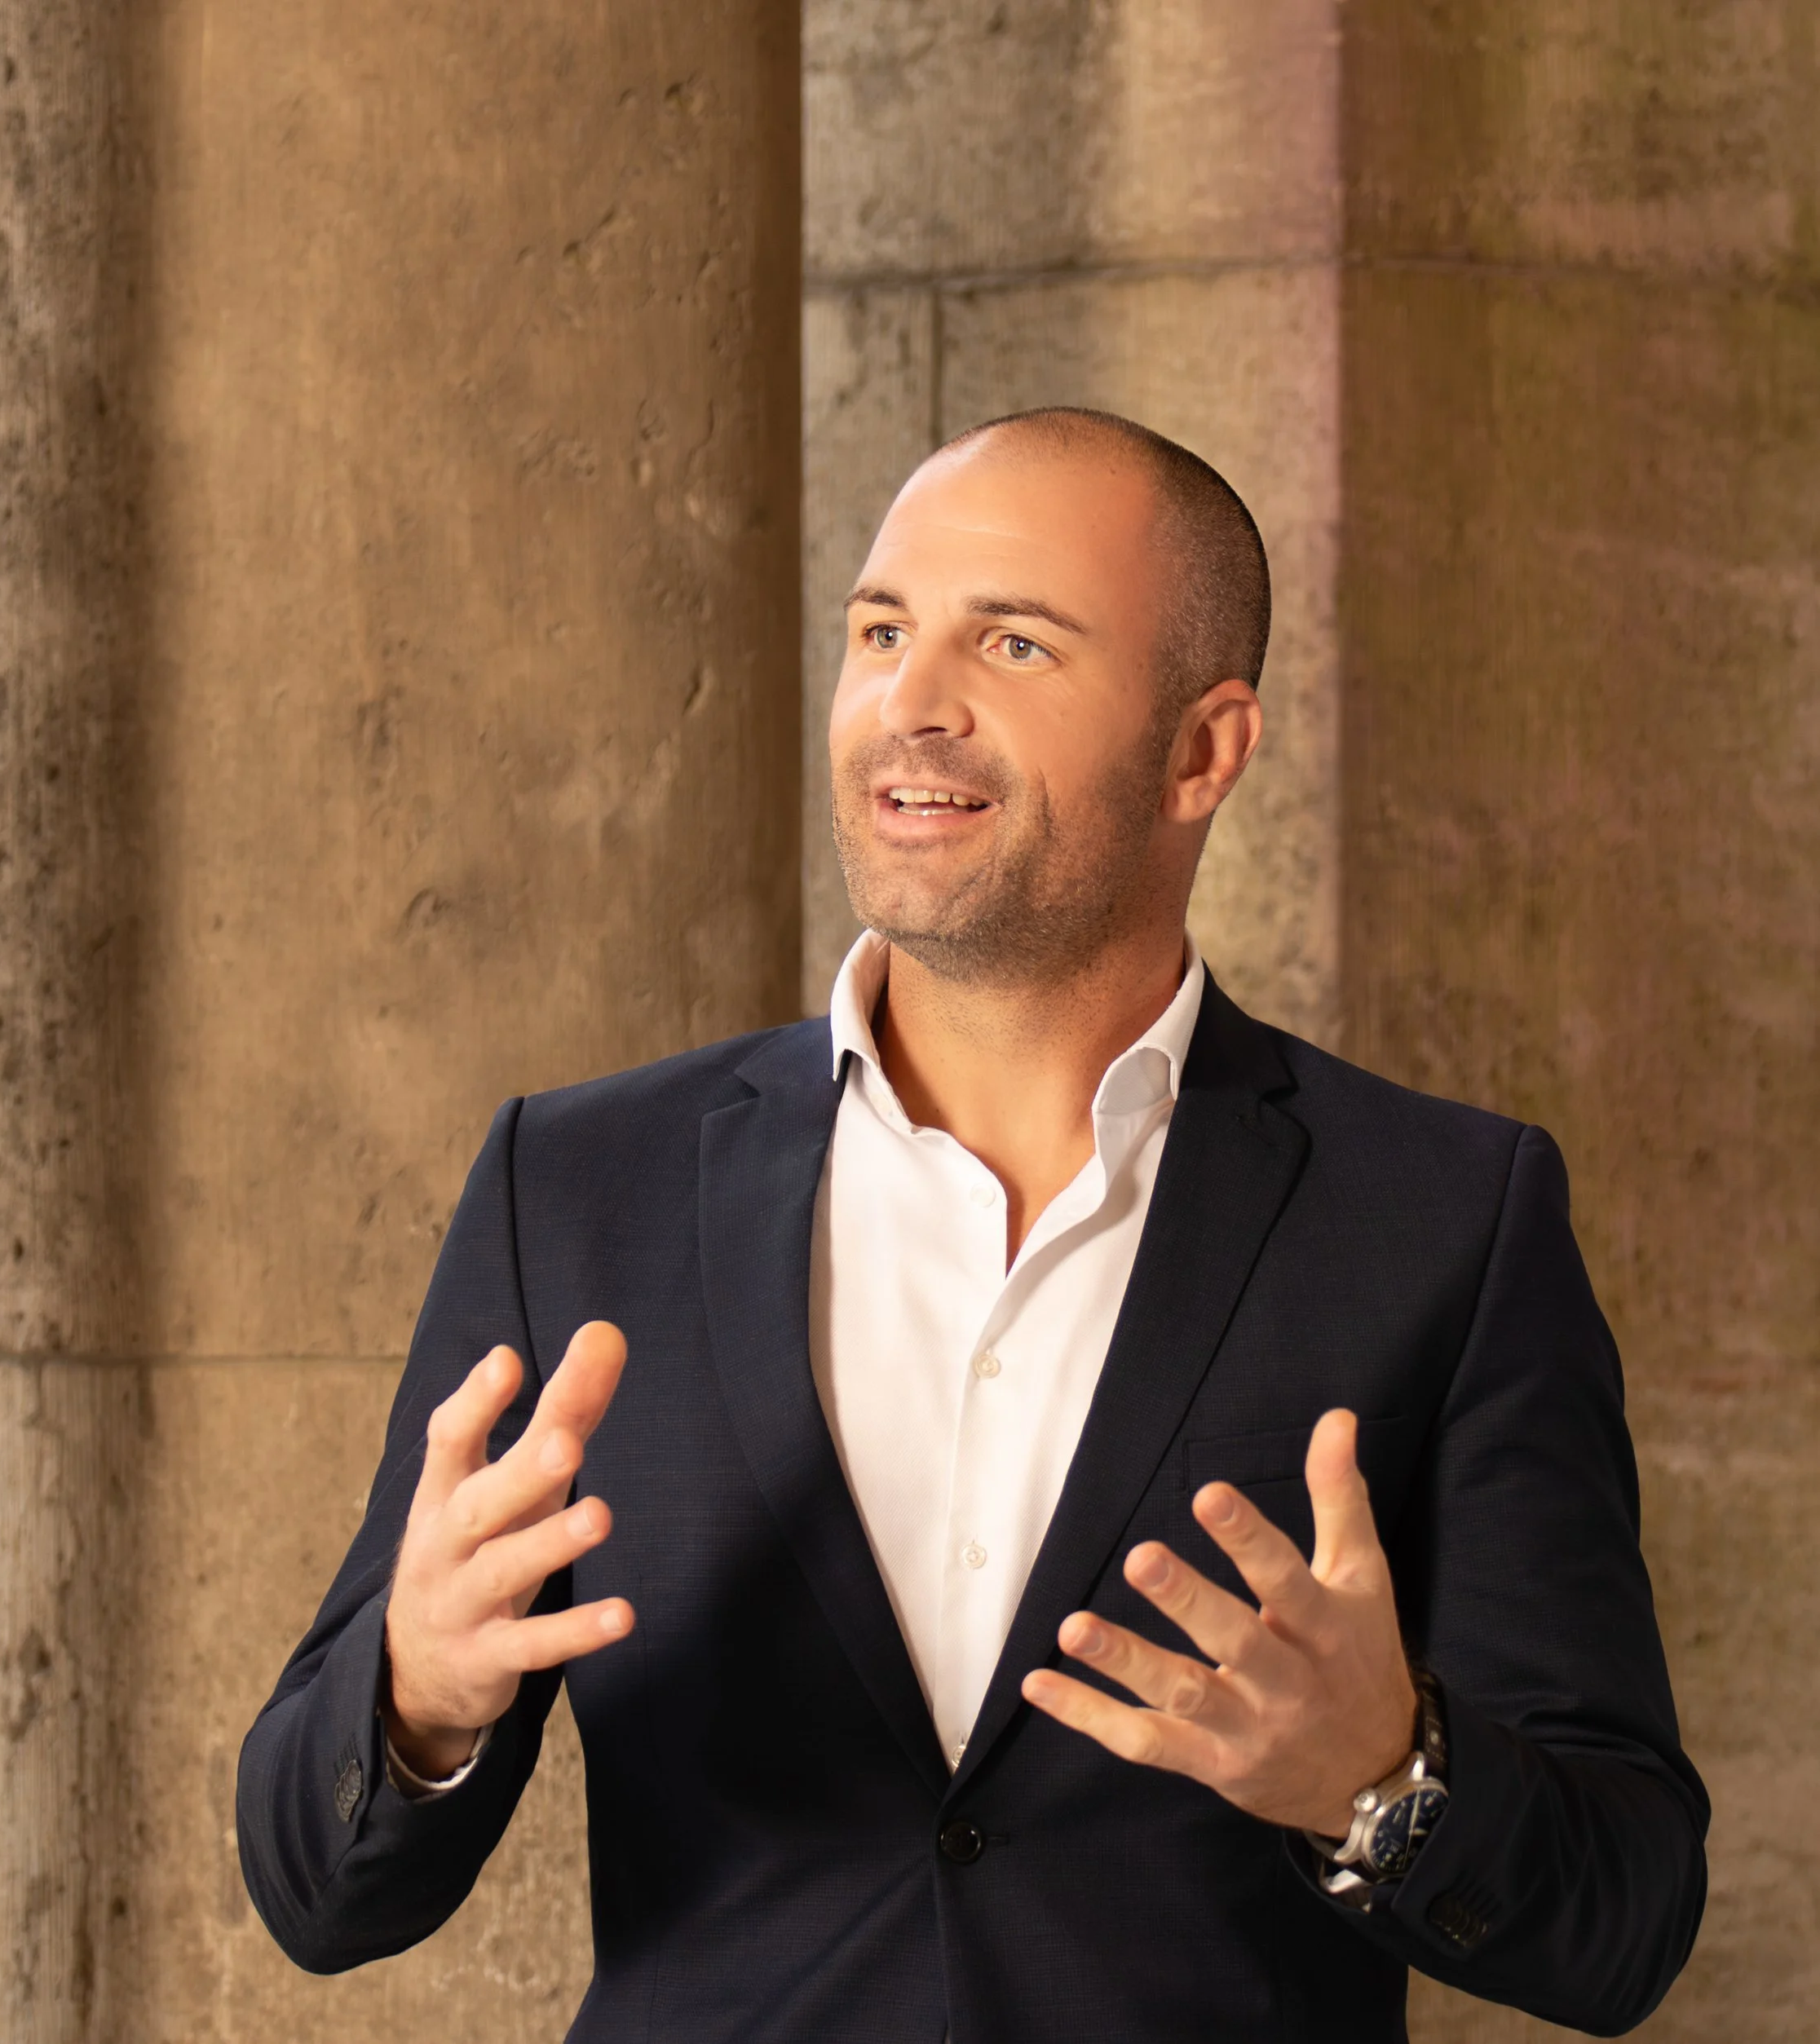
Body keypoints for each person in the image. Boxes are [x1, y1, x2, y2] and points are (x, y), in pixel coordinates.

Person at [236, 408, 1707, 2041]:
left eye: (1009, 639)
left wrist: (1380, 1778)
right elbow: (316, 1890)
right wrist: (418, 1692)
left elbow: (1620, 1917)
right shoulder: (578, 1182)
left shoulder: (1442, 1215)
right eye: (880, 629)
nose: (908, 702)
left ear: (1202, 750)